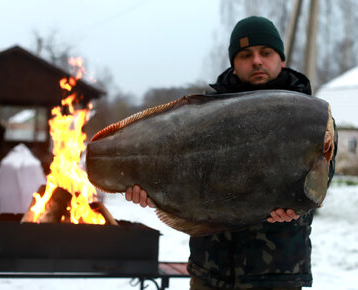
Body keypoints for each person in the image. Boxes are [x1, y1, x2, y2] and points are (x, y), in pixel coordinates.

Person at [125, 16, 337, 289]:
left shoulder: (316, 116)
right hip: (210, 274)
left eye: (266, 53)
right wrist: (153, 191)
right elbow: (183, 177)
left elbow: (321, 180)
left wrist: (300, 206)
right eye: (246, 55)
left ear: (281, 59)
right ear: (234, 64)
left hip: (278, 275)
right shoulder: (202, 113)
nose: (257, 61)